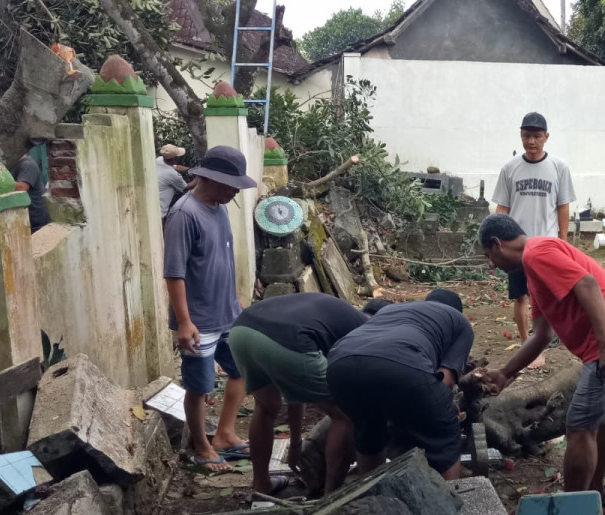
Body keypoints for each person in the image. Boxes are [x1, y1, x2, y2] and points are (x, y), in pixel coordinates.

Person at [479, 214, 605, 501]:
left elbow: (587, 284)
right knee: (599, 419)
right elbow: (541, 335)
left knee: (579, 425)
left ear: (497, 244)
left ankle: (573, 512)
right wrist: (505, 373)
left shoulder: (536, 251)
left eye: (489, 256)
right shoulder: (534, 273)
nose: (492, 264)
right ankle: (595, 492)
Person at [163, 145, 255, 471]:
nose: (234, 192)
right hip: (199, 320)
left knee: (242, 370)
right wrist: (185, 322)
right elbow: (174, 273)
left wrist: (236, 302)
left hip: (227, 312)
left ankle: (226, 434)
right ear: (210, 178)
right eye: (230, 184)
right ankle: (201, 446)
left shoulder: (220, 207)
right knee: (199, 387)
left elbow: (222, 261)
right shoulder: (184, 215)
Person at [230, 293, 369, 495]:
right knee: (344, 415)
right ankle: (331, 496)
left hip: (241, 331)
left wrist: (296, 444)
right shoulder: (364, 331)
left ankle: (261, 485)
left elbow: (295, 389)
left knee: (265, 407)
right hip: (287, 340)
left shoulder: (333, 315)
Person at [326, 289, 473, 480]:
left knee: (369, 432)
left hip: (340, 363)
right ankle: (449, 503)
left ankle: (375, 501)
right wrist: (439, 408)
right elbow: (446, 380)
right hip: (402, 364)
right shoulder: (460, 323)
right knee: (444, 438)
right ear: (456, 310)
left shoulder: (393, 310)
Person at [491, 112, 577, 370]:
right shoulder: (510, 168)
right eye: (527, 135)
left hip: (548, 245)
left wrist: (564, 239)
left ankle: (551, 337)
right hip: (517, 248)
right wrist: (496, 244)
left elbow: (563, 206)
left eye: (537, 136)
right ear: (521, 135)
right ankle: (527, 343)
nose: (531, 141)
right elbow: (502, 208)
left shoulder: (559, 167)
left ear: (546, 137)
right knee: (521, 297)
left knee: (551, 295)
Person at [12, 140, 49, 232]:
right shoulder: (15, 165)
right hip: (25, 221)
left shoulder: (27, 164)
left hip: (35, 223)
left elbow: (21, 187)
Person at [157, 144, 190, 218]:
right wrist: (200, 177)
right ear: (174, 159)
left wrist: (190, 169)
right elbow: (187, 187)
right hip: (160, 213)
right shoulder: (172, 174)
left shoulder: (159, 160)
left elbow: (176, 167)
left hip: (153, 207)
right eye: (178, 157)